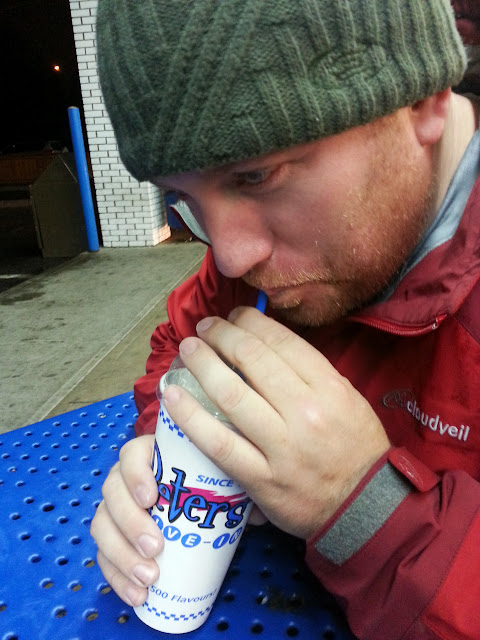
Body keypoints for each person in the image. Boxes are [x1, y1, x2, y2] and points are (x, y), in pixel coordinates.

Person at [91, 1, 480, 638]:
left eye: (256, 174)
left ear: (422, 101)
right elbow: (181, 341)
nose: (229, 255)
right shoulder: (252, 264)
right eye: (181, 197)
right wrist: (170, 443)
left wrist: (366, 512)